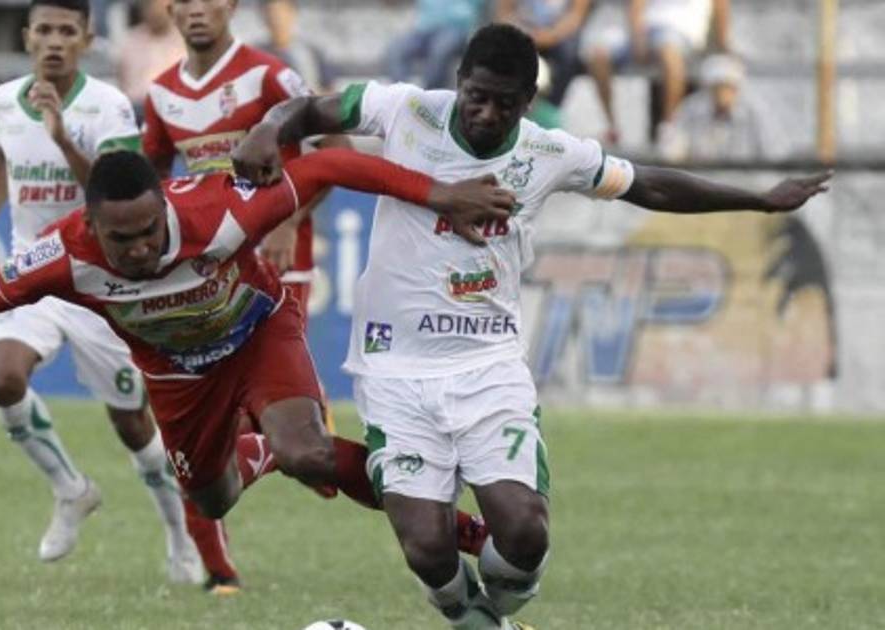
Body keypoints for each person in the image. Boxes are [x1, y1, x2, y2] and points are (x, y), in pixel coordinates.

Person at [232, 23, 831, 629]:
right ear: (459, 82)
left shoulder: (549, 153)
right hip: (396, 369)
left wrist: (757, 200)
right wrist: (267, 129)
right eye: (477, 97)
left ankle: (497, 612)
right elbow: (309, 109)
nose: (488, 114)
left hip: (487, 368)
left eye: (506, 103)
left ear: (528, 101)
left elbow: (648, 184)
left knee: (523, 533)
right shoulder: (405, 110)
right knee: (427, 547)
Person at [0, 148, 511, 600]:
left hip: (258, 333)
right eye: (119, 239)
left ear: (165, 208)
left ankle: (463, 531)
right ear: (90, 226)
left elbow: (328, 168)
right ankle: (255, 453)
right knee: (214, 498)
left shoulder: (219, 212)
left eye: (147, 232)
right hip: (175, 375)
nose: (136, 250)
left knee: (309, 452)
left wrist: (439, 195)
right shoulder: (62, 257)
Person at [0, 0, 204, 584]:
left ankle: (180, 537)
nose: (54, 41)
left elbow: (120, 198)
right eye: (44, 30)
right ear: (27, 37)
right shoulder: (2, 100)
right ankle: (71, 488)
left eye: (67, 31)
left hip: (97, 281)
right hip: (32, 271)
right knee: (3, 376)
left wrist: (63, 139)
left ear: (87, 39)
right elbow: (5, 153)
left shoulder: (108, 107)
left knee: (133, 425)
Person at [142, 0, 345, 593]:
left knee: (272, 420)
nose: (196, 9)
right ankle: (219, 571)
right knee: (199, 425)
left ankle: (300, 448)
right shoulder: (162, 93)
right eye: (183, 1)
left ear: (231, 5)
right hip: (209, 272)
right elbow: (151, 182)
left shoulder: (269, 75)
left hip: (280, 262)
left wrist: (290, 219)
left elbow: (336, 150)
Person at [583, 0, 729, 145]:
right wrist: (638, 39)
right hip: (645, 34)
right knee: (598, 55)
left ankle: (669, 128)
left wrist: (724, 47)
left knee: (668, 53)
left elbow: (721, 9)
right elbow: (637, 6)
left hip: (680, 35)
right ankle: (611, 128)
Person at [659, 54, 782, 163]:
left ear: (737, 89)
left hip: (747, 180)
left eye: (728, 87)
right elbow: (671, 150)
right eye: (717, 87)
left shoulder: (755, 111)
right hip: (701, 179)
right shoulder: (691, 109)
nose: (723, 94)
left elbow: (773, 152)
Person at [495, 0, 590, 107]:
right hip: (520, 32)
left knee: (567, 54)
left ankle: (551, 106)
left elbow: (575, 16)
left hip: (557, 39)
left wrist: (548, 37)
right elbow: (504, 14)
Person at [385, 0, 487, 90]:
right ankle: (402, 90)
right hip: (423, 30)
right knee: (396, 48)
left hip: (455, 29)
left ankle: (430, 93)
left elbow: (475, 9)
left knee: (440, 49)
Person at [113, 0, 185, 117]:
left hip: (173, 109)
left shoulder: (184, 41)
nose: (154, 12)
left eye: (159, 8)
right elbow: (122, 82)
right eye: (149, 6)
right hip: (135, 109)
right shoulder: (130, 40)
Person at [256, 0, 333, 93]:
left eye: (281, 11)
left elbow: (329, 91)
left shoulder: (313, 52)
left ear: (293, 13)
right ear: (262, 14)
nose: (276, 18)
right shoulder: (255, 55)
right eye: (270, 12)